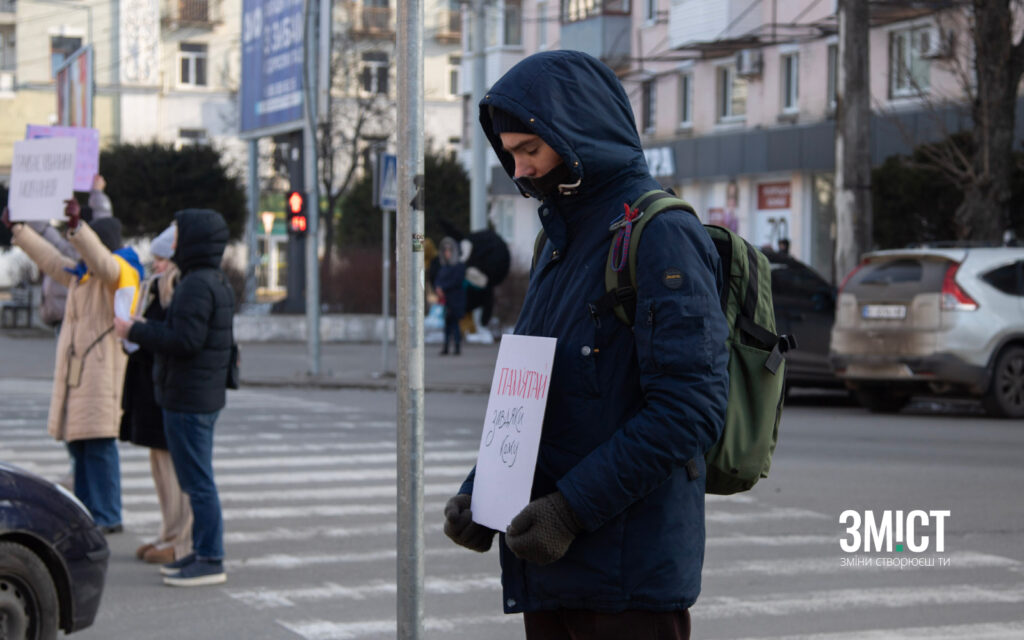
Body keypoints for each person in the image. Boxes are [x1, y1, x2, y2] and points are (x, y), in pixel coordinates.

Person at [442, 50, 730, 639]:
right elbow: (535, 396)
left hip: (626, 578)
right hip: (550, 564)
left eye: (529, 150)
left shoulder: (662, 236)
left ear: (575, 137)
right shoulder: (559, 242)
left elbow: (689, 412)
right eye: (511, 153)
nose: (519, 171)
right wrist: (483, 491)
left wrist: (569, 509)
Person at [3, 199, 143, 534]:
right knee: (79, 445)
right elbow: (51, 260)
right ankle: (87, 511)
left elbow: (101, 260)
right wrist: (18, 231)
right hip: (80, 377)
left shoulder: (118, 272)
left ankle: (108, 515)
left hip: (100, 375)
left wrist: (79, 228)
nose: (79, 253)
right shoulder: (82, 277)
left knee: (99, 447)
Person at [114, 209, 234, 588]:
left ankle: (210, 558)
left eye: (180, 236)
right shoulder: (209, 281)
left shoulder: (197, 285)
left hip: (190, 398)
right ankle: (198, 553)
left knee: (198, 483)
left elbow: (185, 341)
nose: (175, 243)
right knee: (195, 480)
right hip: (192, 395)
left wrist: (136, 329)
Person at [119, 223, 193, 565]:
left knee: (175, 471)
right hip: (152, 388)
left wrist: (139, 331)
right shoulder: (159, 287)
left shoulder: (178, 288)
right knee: (160, 467)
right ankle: (168, 533)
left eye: (161, 259)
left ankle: (180, 540)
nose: (156, 264)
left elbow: (173, 338)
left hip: (169, 388)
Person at [434, 236, 467, 355]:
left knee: (455, 324)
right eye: (445, 250)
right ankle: (446, 346)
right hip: (446, 300)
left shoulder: (459, 266)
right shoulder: (444, 267)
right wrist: (438, 288)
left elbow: (457, 281)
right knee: (447, 325)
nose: (447, 253)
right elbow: (438, 279)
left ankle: (457, 346)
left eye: (449, 250)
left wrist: (443, 288)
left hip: (456, 300)